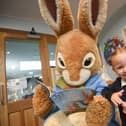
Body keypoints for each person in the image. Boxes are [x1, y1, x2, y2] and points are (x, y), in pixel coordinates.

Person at [102, 37, 126, 126]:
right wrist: (111, 95)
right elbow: (104, 91)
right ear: (114, 70)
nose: (125, 70)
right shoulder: (117, 84)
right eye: (120, 67)